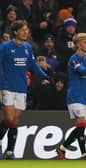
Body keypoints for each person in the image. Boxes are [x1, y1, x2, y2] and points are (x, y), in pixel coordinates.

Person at [0, 20, 49, 159]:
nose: (25, 32)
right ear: (15, 32)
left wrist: (46, 75)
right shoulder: (5, 47)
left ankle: (9, 152)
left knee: (15, 121)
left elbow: (33, 65)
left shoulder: (27, 47)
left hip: (22, 87)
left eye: (26, 30)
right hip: (7, 86)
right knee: (9, 119)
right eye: (22, 30)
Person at [56, 33, 86, 160]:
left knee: (80, 128)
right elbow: (83, 71)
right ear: (78, 44)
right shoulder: (73, 59)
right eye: (85, 42)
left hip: (84, 97)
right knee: (81, 124)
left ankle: (62, 148)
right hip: (74, 96)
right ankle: (85, 155)